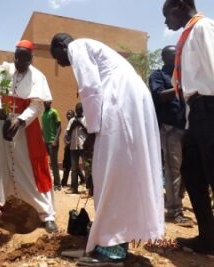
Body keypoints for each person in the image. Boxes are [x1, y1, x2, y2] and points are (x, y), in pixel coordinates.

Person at [50, 33, 164, 265]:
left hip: (119, 101)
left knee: (111, 175)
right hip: (130, 99)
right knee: (123, 173)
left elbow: (90, 88)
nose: (60, 63)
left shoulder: (77, 47)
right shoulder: (96, 48)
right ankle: (115, 241)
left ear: (62, 46)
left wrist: (92, 131)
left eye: (57, 57)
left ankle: (111, 250)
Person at [0, 40, 58, 233]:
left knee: (30, 170)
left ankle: (46, 215)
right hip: (1, 125)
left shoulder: (37, 76)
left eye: (24, 59)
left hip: (25, 130)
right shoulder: (3, 71)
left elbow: (36, 105)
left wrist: (21, 120)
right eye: (17, 58)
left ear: (31, 59)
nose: (19, 62)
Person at [163, 0, 214, 255]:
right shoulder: (188, 35)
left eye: (167, 15)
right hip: (195, 113)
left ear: (180, 6)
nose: (165, 22)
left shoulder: (204, 27)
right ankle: (208, 237)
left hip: (210, 106)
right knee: (192, 172)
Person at [149, 45, 193, 227]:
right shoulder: (158, 75)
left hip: (187, 128)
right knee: (173, 169)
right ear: (165, 57)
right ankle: (174, 210)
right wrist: (179, 89)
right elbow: (158, 96)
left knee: (189, 169)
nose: (178, 58)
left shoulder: (184, 75)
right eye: (175, 55)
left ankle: (175, 201)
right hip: (169, 129)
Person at [64, 103, 87, 194]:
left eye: (80, 110)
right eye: (77, 110)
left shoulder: (86, 119)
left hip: (83, 146)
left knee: (86, 167)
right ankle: (74, 188)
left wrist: (81, 124)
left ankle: (89, 188)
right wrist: (73, 126)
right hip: (73, 147)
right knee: (74, 168)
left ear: (83, 110)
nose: (78, 112)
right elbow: (68, 134)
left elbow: (89, 133)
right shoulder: (72, 120)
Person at [42, 101, 62, 191]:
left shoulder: (54, 112)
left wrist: (55, 140)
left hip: (52, 142)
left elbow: (59, 127)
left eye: (48, 101)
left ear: (50, 102)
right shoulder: (43, 114)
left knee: (54, 164)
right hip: (45, 142)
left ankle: (57, 184)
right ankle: (47, 182)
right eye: (45, 101)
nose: (47, 102)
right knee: (45, 162)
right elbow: (43, 128)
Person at [61, 109, 75, 187]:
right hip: (68, 147)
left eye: (70, 114)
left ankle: (64, 182)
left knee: (67, 165)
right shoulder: (69, 123)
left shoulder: (73, 123)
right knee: (69, 164)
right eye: (67, 114)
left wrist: (68, 144)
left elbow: (72, 136)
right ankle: (83, 179)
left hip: (70, 147)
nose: (68, 115)